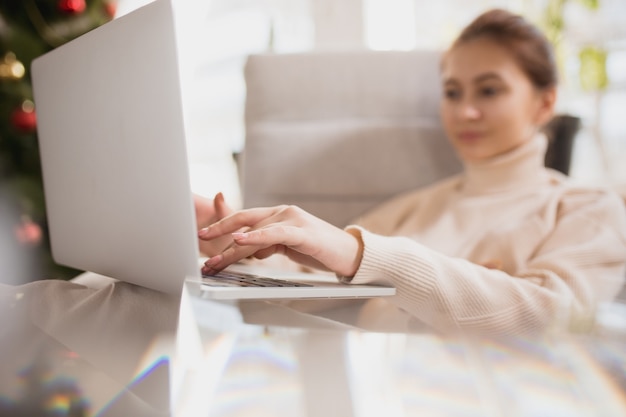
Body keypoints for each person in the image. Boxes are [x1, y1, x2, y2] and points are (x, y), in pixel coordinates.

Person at [194, 9, 626, 335]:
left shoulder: (588, 208)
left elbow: (552, 319)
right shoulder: (415, 208)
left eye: (489, 90)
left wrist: (377, 267)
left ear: (545, 102)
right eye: (452, 92)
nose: (465, 111)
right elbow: (314, 285)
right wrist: (238, 245)